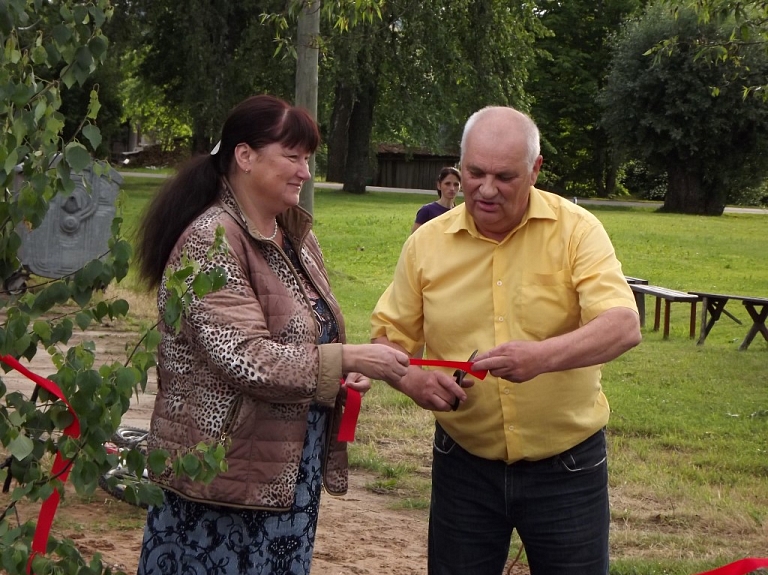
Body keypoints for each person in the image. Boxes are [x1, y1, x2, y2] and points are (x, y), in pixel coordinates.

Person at [134, 94, 409, 575]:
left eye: (308, 159)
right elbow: (247, 359)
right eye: (293, 157)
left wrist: (340, 374)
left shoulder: (293, 233)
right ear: (245, 156)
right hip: (222, 476)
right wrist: (347, 359)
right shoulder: (210, 240)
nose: (305, 171)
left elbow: (307, 336)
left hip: (282, 471)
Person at [371, 106, 641, 575]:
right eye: (474, 173)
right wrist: (408, 382)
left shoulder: (577, 230)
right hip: (464, 466)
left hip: (568, 468)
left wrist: (541, 356)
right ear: (459, 165)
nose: (486, 189)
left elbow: (622, 325)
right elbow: (389, 338)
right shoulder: (426, 244)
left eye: (504, 176)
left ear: (535, 170)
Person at [411, 166, 461, 233]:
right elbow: (414, 239)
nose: (452, 188)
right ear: (439, 185)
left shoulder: (459, 213)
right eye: (447, 184)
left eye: (456, 184)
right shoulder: (426, 211)